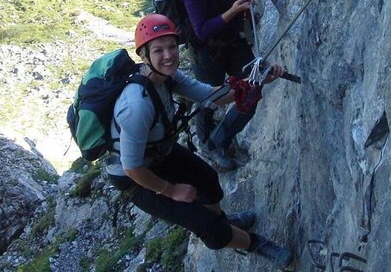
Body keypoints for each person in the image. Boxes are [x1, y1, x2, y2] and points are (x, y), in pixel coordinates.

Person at [106, 14, 293, 269]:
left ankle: (224, 222)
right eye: (158, 50)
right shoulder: (136, 105)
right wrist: (171, 190)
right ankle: (254, 243)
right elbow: (132, 168)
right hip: (135, 176)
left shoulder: (167, 78)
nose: (169, 55)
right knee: (207, 228)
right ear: (144, 55)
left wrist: (255, 81)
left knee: (207, 179)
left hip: (158, 151)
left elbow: (210, 95)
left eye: (172, 46)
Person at [181, 0, 268, 170]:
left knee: (252, 88)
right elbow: (202, 30)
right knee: (209, 100)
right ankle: (208, 145)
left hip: (232, 41)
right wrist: (233, 11)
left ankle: (221, 139)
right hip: (206, 50)